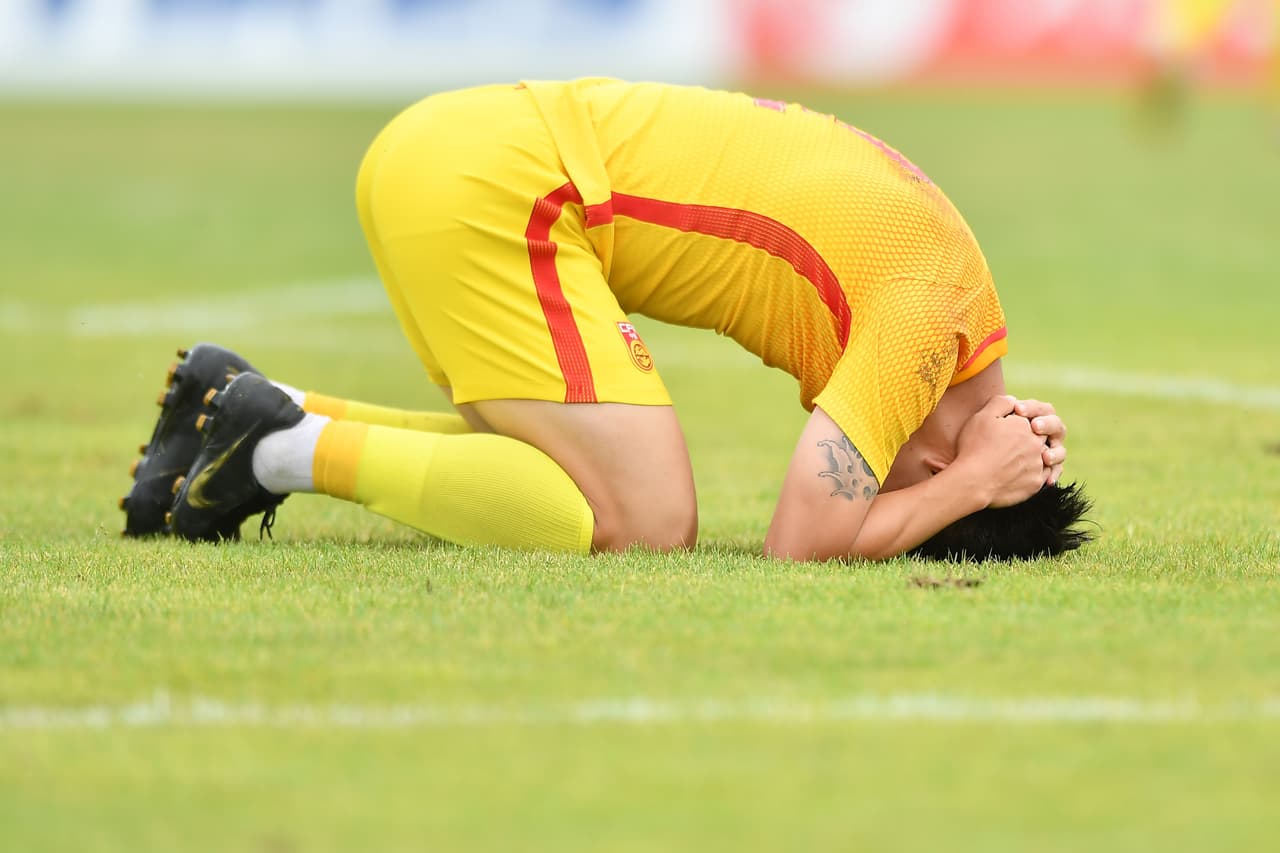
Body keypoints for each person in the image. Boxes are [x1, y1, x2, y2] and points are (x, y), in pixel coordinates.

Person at [120, 80, 1092, 562]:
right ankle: (278, 452)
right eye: (898, 489)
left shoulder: (951, 310)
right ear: (928, 465)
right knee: (647, 519)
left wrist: (982, 460)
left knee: (566, 471)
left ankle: (247, 408)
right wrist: (969, 482)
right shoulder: (929, 325)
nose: (875, 474)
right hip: (504, 187)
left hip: (467, 155)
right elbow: (806, 534)